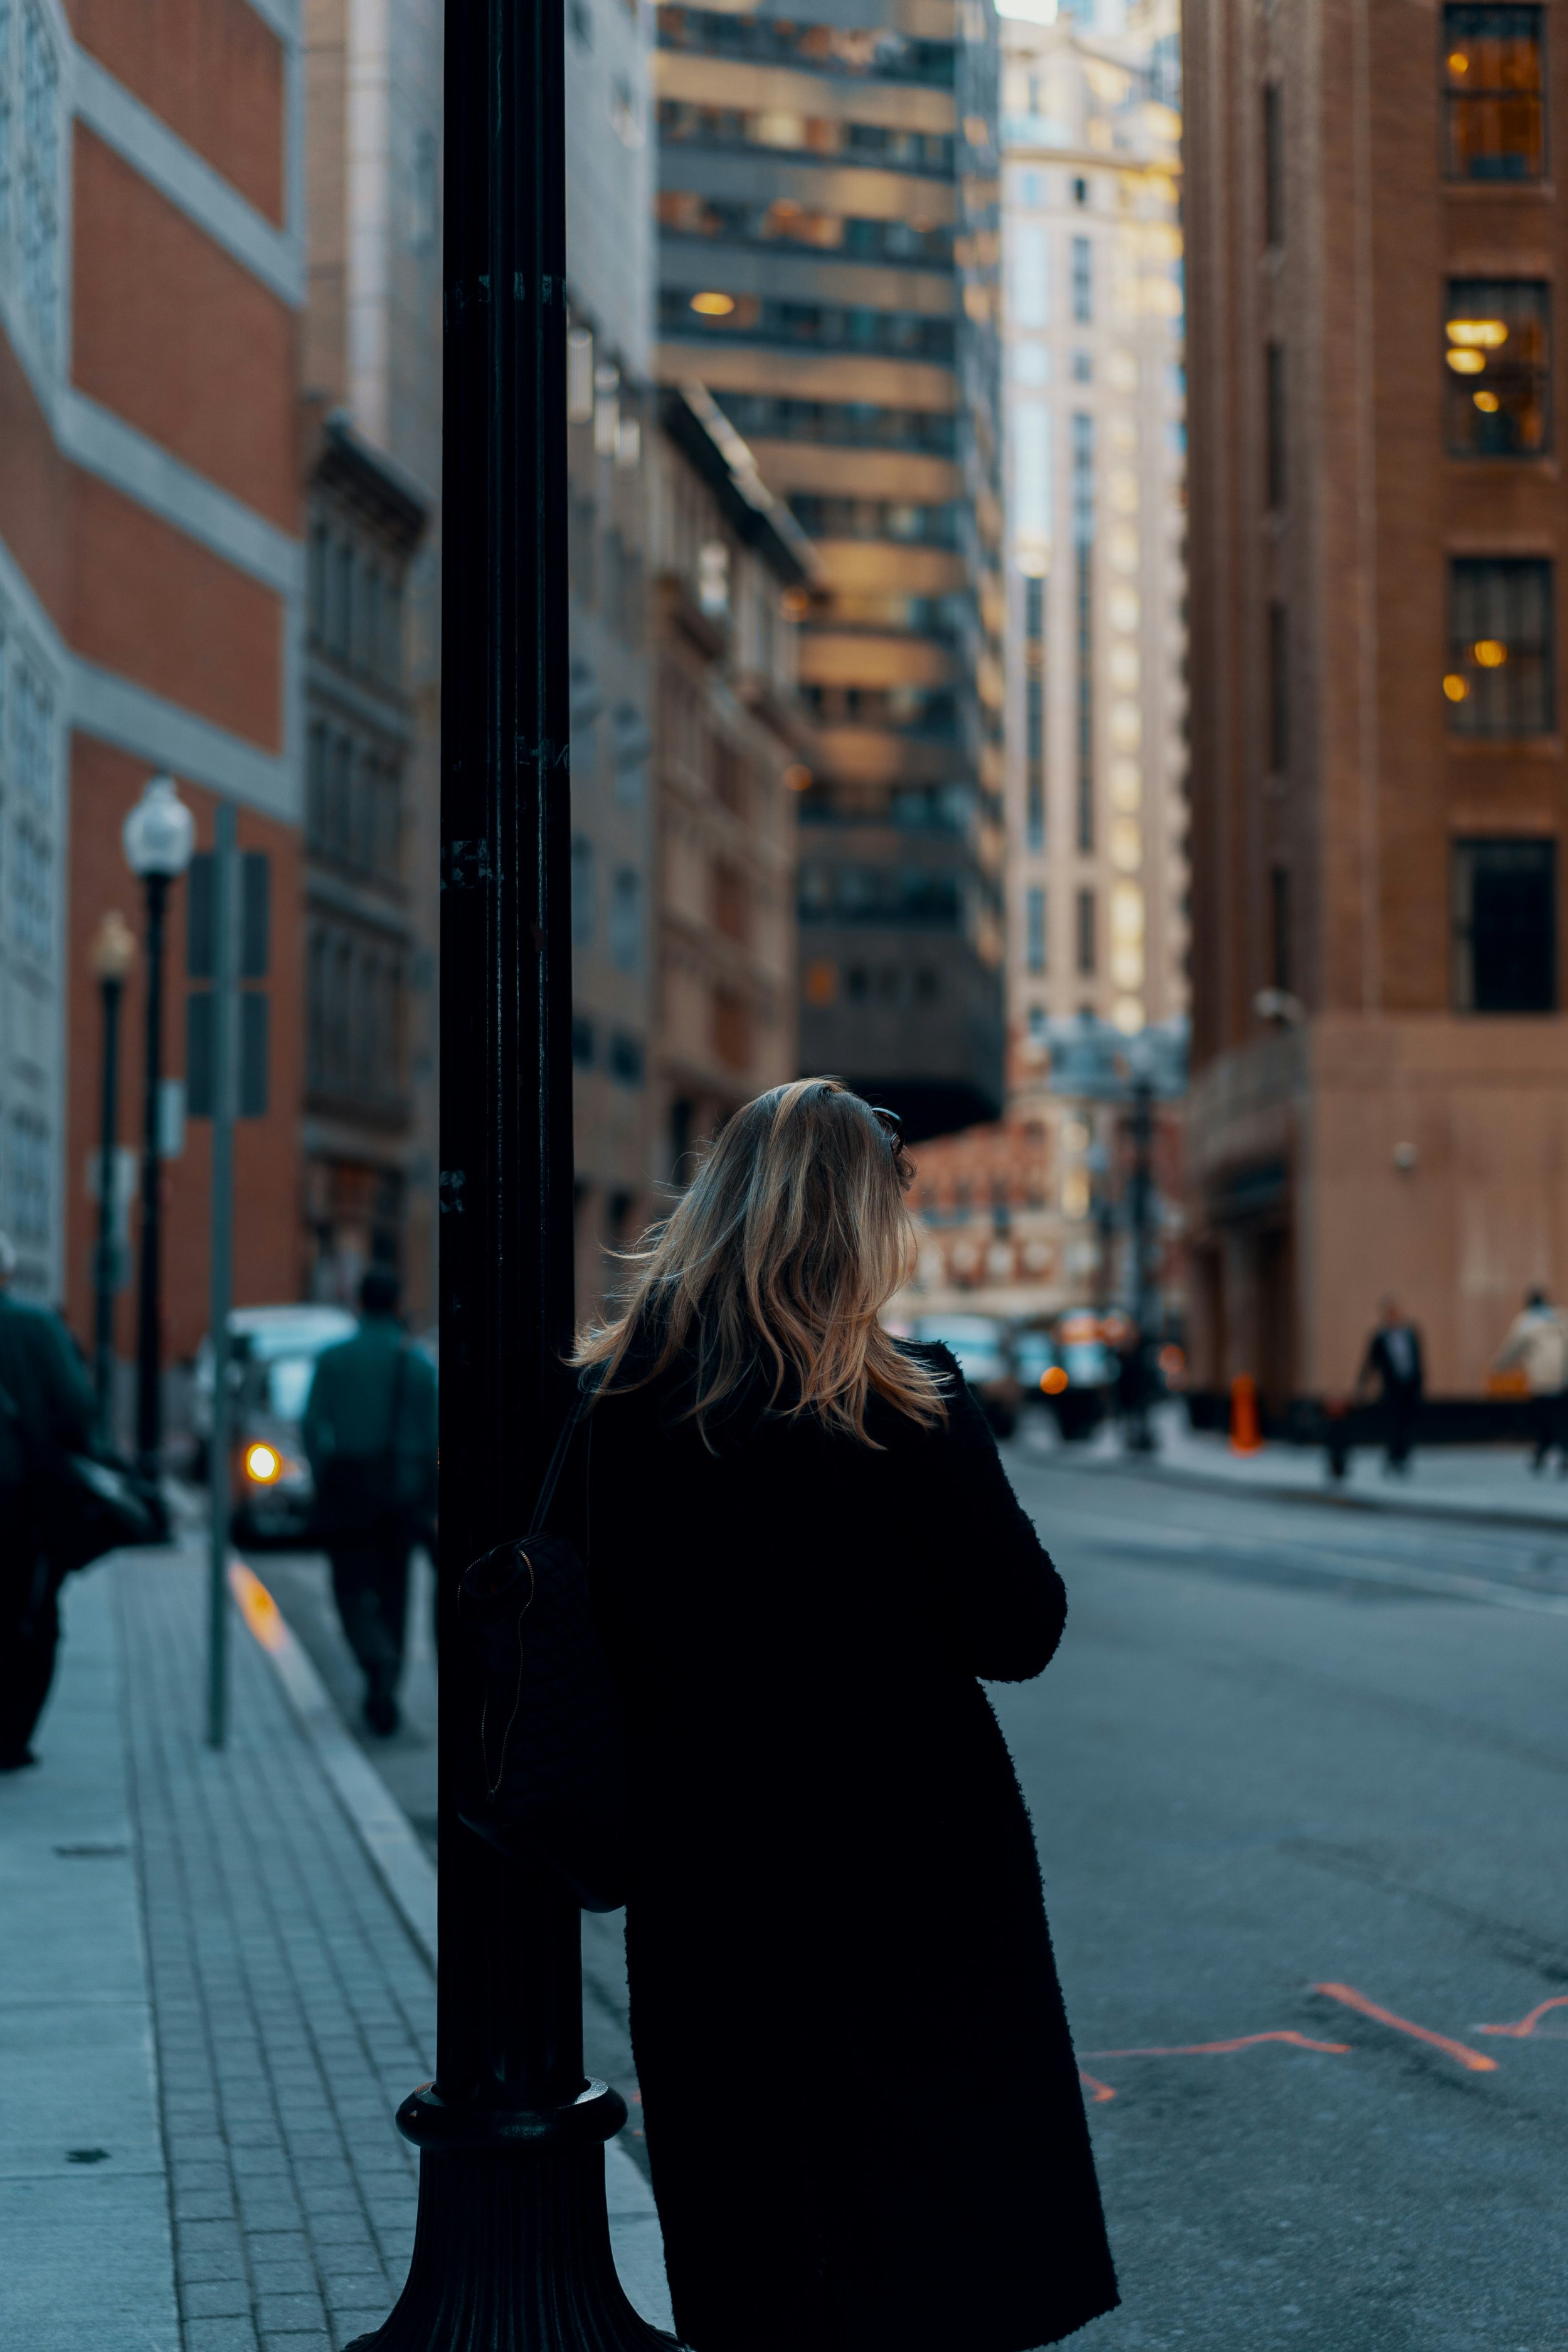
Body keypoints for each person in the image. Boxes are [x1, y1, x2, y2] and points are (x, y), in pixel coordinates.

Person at [565, 1079, 1119, 2352]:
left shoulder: (613, 1408)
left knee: (750, 2216)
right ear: (858, 1227)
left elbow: (570, 1626)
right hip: (913, 1874)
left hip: (711, 1874)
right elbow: (1018, 1630)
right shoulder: (904, 1404)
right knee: (926, 2237)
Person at [302, 1264, 436, 1735]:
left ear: (359, 1302)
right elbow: (435, 1436)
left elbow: (311, 1425)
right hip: (401, 1496)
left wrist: (325, 1475)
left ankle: (371, 1654)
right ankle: (388, 1681)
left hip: (348, 1491)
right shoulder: (418, 1365)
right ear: (397, 1304)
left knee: (348, 1586)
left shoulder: (334, 1359)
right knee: (395, 1591)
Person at [0, 1230, 96, 1769]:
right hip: (23, 1503)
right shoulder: (37, 1328)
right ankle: (12, 1735)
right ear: (8, 1274)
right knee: (30, 1613)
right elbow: (78, 1408)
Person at [1494, 1285, 1568, 1472]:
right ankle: (1545, 1454)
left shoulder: (1526, 1321)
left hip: (1543, 1379)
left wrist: (1499, 1365)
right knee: (1558, 1417)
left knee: (1545, 1418)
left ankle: (1547, 1453)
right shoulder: (1560, 1316)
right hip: (1562, 1377)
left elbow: (1513, 1347)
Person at [1355, 1295, 1424, 1475]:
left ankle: (1403, 1456)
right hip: (1392, 1388)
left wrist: (1419, 1382)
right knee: (1393, 1423)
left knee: (1408, 1422)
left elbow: (1418, 1359)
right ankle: (1393, 1458)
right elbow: (1371, 1363)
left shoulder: (1410, 1333)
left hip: (1409, 1386)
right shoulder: (1380, 1337)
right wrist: (1362, 1384)